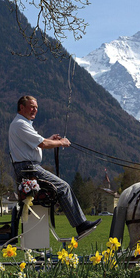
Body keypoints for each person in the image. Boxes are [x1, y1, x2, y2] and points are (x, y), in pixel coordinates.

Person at [9, 95, 101, 238]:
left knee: (61, 187)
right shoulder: (20, 124)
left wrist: (50, 140)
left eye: (36, 107)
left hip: (29, 168)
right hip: (29, 169)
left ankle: (79, 224)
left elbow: (39, 143)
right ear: (22, 107)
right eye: (32, 106)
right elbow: (43, 144)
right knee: (63, 187)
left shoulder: (23, 124)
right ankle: (81, 225)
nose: (35, 110)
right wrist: (61, 143)